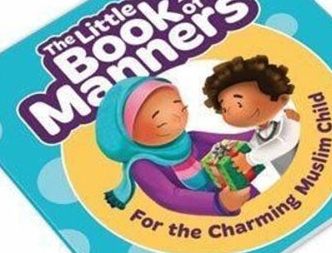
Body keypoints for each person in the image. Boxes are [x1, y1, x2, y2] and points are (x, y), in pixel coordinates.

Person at [94, 76, 257, 217]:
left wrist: (261, 131)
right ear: (127, 132)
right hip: (202, 214)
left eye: (177, 103)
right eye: (156, 115)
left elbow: (231, 141)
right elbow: (170, 196)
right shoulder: (142, 165)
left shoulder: (193, 138)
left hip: (233, 187)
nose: (176, 115)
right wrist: (218, 203)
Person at [203, 55, 300, 179]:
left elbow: (286, 141)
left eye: (239, 104)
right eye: (225, 109)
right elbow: (254, 147)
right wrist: (226, 152)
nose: (233, 113)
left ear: (282, 99)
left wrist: (249, 159)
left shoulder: (289, 116)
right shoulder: (259, 132)